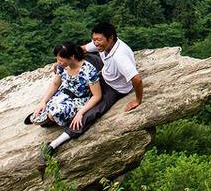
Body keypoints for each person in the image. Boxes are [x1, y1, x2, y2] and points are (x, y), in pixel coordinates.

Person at [39, 21, 143, 160]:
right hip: (105, 72)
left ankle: (54, 144)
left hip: (115, 87)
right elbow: (82, 50)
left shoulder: (120, 56)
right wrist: (62, 61)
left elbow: (137, 79)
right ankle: (58, 107)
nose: (96, 43)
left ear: (110, 38)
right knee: (80, 57)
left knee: (92, 112)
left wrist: (137, 100)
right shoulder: (103, 45)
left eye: (99, 40)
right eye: (94, 39)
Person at [28, 42, 103, 163]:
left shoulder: (88, 70)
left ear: (72, 57)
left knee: (57, 112)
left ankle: (49, 118)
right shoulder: (62, 66)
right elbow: (56, 83)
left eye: (61, 59)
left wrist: (81, 113)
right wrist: (43, 101)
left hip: (78, 99)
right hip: (63, 94)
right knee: (49, 106)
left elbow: (97, 95)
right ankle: (47, 116)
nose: (58, 62)